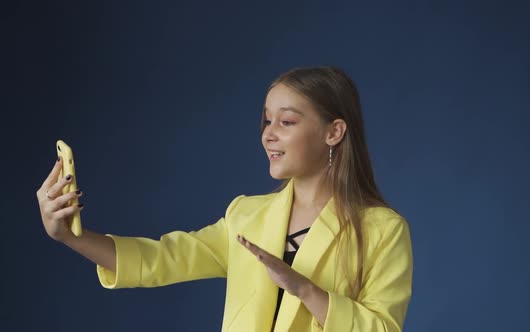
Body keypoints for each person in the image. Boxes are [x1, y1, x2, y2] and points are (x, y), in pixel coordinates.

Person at [37, 66, 413, 331]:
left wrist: (305, 289)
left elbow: (382, 328)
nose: (269, 134)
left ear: (334, 132)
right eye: (266, 121)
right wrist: (71, 236)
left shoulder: (383, 230)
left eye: (287, 121)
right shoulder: (245, 215)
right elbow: (161, 259)